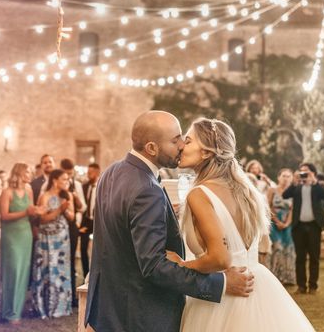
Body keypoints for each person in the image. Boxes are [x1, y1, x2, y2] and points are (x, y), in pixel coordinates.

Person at [85, 111, 254, 332]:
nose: (182, 144)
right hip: (141, 313)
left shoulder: (111, 172)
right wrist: (220, 284)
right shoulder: (147, 190)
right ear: (152, 148)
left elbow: (121, 234)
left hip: (108, 309)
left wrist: (164, 213)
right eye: (175, 140)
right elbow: (154, 266)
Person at [168, 118, 314, 331]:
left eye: (188, 141)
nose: (181, 145)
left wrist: (180, 265)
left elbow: (219, 258)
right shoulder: (247, 191)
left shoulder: (199, 194)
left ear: (207, 153)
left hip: (224, 299)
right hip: (258, 287)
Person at [0, 163, 40, 324]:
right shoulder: (7, 192)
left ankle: (16, 311)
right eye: (27, 171)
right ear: (19, 173)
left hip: (25, 234)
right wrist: (26, 212)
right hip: (11, 236)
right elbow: (4, 216)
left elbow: (31, 211)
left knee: (23, 272)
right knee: (13, 271)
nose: (29, 174)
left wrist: (38, 212)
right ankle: (8, 311)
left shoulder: (29, 190)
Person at [32, 169, 74, 319]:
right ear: (55, 180)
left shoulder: (67, 195)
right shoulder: (45, 196)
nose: (67, 182)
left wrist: (66, 209)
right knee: (46, 268)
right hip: (46, 237)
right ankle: (44, 306)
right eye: (64, 179)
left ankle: (61, 306)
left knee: (60, 269)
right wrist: (59, 210)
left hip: (62, 237)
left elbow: (71, 217)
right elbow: (42, 219)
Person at [283, 162, 324, 294]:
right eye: (301, 171)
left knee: (314, 257)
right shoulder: (297, 186)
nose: (303, 173)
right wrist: (294, 182)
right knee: (300, 257)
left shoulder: (316, 186)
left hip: (314, 226)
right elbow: (285, 195)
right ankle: (301, 286)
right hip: (299, 226)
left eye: (306, 171)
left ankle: (313, 286)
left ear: (313, 173)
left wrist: (314, 181)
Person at [60, 158, 86, 308]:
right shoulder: (54, 184)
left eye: (70, 174)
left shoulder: (76, 185)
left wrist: (76, 220)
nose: (69, 177)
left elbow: (83, 208)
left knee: (70, 261)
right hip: (57, 226)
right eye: (66, 174)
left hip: (72, 226)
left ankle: (71, 296)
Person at [268, 168, 296, 285]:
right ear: (278, 177)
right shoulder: (272, 190)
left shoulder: (293, 191)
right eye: (283, 176)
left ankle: (288, 278)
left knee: (288, 249)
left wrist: (286, 223)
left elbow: (292, 210)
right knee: (277, 248)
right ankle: (275, 278)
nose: (286, 178)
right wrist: (277, 221)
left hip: (288, 224)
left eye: (288, 176)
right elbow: (268, 207)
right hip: (274, 223)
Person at [80, 163, 101, 278]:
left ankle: (97, 274)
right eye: (88, 173)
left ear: (97, 172)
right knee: (83, 249)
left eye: (90, 173)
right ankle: (85, 275)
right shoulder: (85, 186)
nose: (88, 175)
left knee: (97, 249)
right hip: (86, 221)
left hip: (98, 221)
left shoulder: (103, 185)